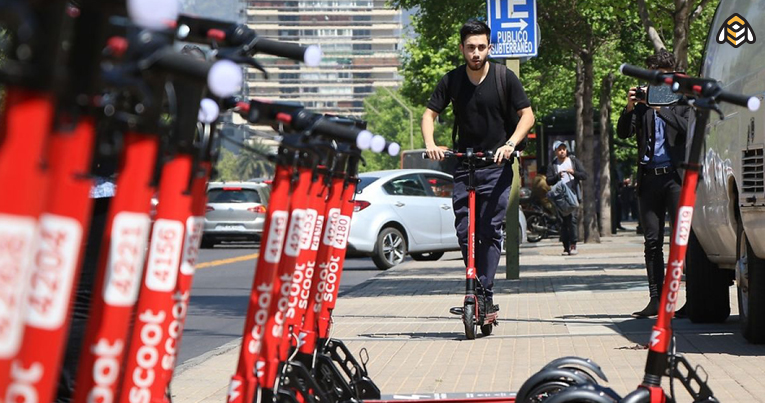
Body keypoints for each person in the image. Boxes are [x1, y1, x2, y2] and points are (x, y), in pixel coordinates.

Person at [422, 19, 535, 313]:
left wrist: (510, 144)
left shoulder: (504, 77)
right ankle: (477, 287)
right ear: (462, 48)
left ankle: (484, 291)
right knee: (464, 231)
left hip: (496, 166)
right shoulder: (452, 80)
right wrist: (430, 143)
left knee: (489, 230)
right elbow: (428, 115)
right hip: (465, 164)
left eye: (481, 47)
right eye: (470, 47)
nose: (476, 53)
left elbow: (527, 115)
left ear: (489, 48)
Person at [617, 49, 690, 318]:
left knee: (682, 242)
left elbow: (687, 127)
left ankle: (690, 299)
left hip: (675, 178)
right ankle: (656, 300)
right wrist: (630, 106)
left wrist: (660, 107)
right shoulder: (642, 104)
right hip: (648, 178)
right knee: (652, 242)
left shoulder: (683, 98)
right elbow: (623, 132)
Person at [545, 141, 587, 255]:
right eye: (559, 149)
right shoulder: (553, 165)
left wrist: (573, 173)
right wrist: (557, 176)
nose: (562, 151)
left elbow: (584, 175)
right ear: (555, 151)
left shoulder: (573, 161)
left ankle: (573, 245)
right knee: (563, 222)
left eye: (564, 149)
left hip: (572, 196)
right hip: (560, 198)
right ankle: (565, 246)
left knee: (572, 221)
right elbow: (548, 181)